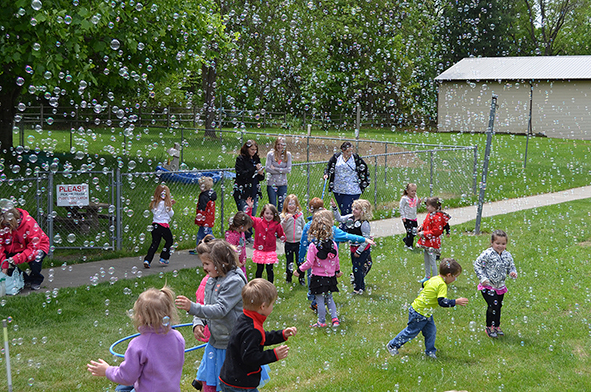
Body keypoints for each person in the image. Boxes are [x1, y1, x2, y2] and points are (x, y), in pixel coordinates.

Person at [175, 236, 248, 392]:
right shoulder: (212, 279)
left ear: (221, 262)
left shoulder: (235, 281)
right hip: (216, 342)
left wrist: (192, 308)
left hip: (233, 344)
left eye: (207, 264)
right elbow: (206, 306)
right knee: (210, 384)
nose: (204, 268)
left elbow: (220, 309)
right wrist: (198, 323)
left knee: (231, 386)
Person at [87, 285, 185, 392]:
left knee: (122, 389)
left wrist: (107, 370)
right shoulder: (178, 337)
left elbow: (127, 377)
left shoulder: (138, 345)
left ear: (140, 316)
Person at [219, 279, 297, 392]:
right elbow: (250, 357)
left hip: (233, 378)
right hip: (240, 384)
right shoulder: (252, 329)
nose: (273, 307)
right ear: (263, 306)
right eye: (272, 304)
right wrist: (274, 354)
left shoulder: (246, 318)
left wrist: (281, 334)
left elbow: (260, 338)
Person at [298, 198, 375, 312]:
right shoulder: (334, 231)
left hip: (315, 263)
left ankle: (315, 299)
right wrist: (364, 239)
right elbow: (348, 236)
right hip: (330, 264)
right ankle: (322, 303)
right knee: (327, 283)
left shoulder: (310, 226)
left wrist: (300, 259)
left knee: (314, 279)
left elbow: (303, 243)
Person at [386, 259, 468, 359]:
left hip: (425, 312)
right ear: (449, 275)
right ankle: (392, 345)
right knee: (411, 332)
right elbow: (442, 302)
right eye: (455, 277)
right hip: (419, 313)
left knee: (431, 331)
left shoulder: (434, 278)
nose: (455, 280)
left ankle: (430, 351)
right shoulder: (442, 285)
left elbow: (423, 284)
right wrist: (456, 301)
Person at [294, 212, 343, 328]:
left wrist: (299, 270)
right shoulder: (333, 244)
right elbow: (336, 260)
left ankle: (321, 321)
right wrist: (337, 271)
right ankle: (335, 319)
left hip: (318, 278)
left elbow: (309, 263)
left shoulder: (313, 246)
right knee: (330, 298)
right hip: (330, 277)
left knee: (320, 299)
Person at [474, 230, 518, 338]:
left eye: (503, 244)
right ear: (492, 242)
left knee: (498, 306)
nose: (500, 246)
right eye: (497, 243)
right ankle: (489, 327)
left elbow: (511, 266)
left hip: (500, 286)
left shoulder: (507, 255)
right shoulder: (487, 254)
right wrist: (482, 278)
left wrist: (513, 272)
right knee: (493, 305)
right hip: (488, 285)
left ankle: (497, 326)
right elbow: (477, 265)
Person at [0, 199, 50, 291]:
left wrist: (17, 258)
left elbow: (33, 248)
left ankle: (36, 279)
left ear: (13, 219)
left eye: (7, 224)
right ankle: (25, 278)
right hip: (17, 247)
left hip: (38, 246)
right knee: (8, 263)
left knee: (35, 262)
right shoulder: (3, 227)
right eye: (3, 225)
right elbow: (1, 245)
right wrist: (5, 264)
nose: (5, 227)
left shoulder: (29, 223)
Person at [331, 198, 373, 294]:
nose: (353, 210)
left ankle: (358, 289)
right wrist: (334, 208)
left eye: (357, 209)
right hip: (353, 248)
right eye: (353, 207)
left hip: (362, 249)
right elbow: (339, 219)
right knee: (357, 268)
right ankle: (360, 285)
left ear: (363, 212)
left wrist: (359, 251)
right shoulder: (350, 217)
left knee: (357, 268)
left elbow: (366, 240)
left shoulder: (364, 224)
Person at [323, 141, 370, 217]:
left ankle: (345, 227)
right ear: (342, 150)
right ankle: (347, 226)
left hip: (352, 190)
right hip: (338, 189)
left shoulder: (356, 158)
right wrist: (326, 174)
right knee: (343, 210)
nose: (349, 153)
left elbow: (365, 169)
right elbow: (328, 167)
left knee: (347, 210)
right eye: (347, 151)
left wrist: (364, 181)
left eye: (351, 151)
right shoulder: (336, 157)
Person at [246, 197, 285, 283]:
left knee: (269, 270)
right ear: (263, 213)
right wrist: (250, 208)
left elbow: (281, 234)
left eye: (271, 214)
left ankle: (270, 286)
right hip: (260, 251)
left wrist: (284, 237)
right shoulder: (258, 222)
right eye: (267, 213)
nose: (269, 216)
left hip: (270, 250)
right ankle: (258, 285)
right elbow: (248, 218)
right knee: (259, 269)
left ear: (274, 215)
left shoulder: (276, 224)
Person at [233, 140, 265, 241]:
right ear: (246, 149)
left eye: (255, 150)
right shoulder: (241, 159)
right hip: (243, 192)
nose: (254, 152)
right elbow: (241, 174)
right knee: (243, 215)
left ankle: (248, 235)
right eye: (252, 149)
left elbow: (260, 178)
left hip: (254, 191)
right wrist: (254, 169)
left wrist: (261, 174)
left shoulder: (256, 159)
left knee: (251, 215)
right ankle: (241, 236)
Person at [416, 197, 450, 283]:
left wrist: (424, 234)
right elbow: (425, 222)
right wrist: (421, 226)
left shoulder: (437, 217)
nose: (426, 207)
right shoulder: (430, 214)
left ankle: (435, 279)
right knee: (426, 259)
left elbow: (437, 231)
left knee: (432, 261)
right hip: (427, 242)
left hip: (432, 243)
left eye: (428, 206)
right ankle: (427, 276)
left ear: (434, 207)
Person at [143, 184, 175, 268]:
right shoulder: (166, 204)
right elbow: (171, 214)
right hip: (163, 226)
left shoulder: (154, 203)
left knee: (155, 244)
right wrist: (170, 206)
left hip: (155, 225)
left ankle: (147, 260)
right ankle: (163, 258)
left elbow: (157, 212)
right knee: (169, 241)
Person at [280, 194, 305, 284]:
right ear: (286, 205)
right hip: (288, 243)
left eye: (294, 204)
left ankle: (301, 278)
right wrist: (285, 220)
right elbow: (281, 229)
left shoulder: (300, 215)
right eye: (289, 204)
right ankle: (288, 278)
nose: (291, 206)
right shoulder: (283, 216)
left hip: (299, 243)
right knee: (289, 262)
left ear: (297, 205)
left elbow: (304, 227)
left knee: (300, 261)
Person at [265, 137, 292, 212]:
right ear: (275, 145)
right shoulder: (270, 154)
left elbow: (288, 169)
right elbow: (267, 169)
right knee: (272, 206)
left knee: (282, 206)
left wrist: (275, 168)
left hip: (282, 184)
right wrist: (282, 170)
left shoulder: (288, 155)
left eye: (282, 144)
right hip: (271, 183)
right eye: (278, 144)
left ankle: (280, 222)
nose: (280, 146)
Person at [225, 212, 253, 278]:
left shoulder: (241, 232)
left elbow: (243, 247)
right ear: (241, 227)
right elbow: (230, 252)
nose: (247, 229)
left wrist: (244, 258)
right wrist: (236, 263)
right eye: (247, 227)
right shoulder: (231, 236)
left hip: (241, 264)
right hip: (234, 266)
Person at [195, 176, 217, 246]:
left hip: (204, 220)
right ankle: (199, 247)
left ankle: (216, 246)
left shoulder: (203, 197)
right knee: (201, 234)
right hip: (209, 219)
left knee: (208, 235)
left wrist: (199, 220)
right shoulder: (210, 195)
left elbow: (201, 210)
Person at [400, 183, 421, 250]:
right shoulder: (404, 198)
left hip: (414, 218)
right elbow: (401, 208)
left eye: (415, 191)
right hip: (407, 218)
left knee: (415, 232)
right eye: (412, 191)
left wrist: (419, 203)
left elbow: (418, 207)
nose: (414, 192)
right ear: (407, 191)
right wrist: (403, 217)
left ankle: (406, 240)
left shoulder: (415, 198)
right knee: (410, 232)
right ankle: (409, 245)